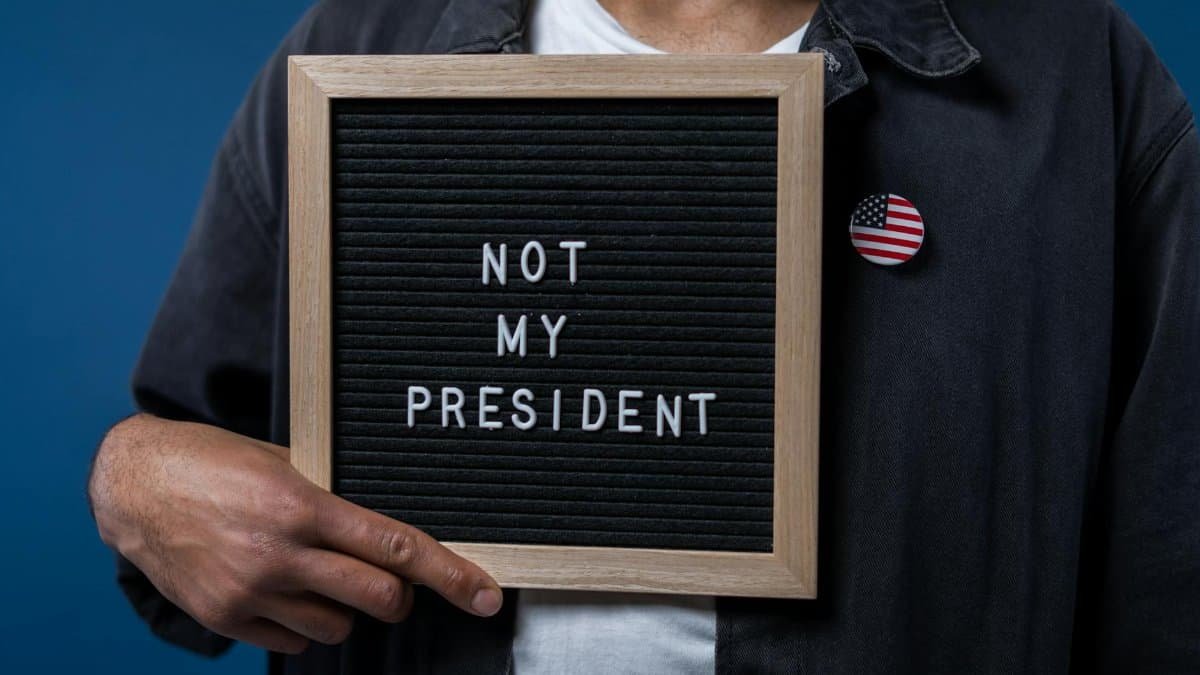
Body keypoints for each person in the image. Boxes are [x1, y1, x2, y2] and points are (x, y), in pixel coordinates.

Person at [87, 0, 1200, 672]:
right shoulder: (357, 47)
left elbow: (1171, 590)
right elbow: (190, 461)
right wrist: (131, 481)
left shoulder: (1078, 81)